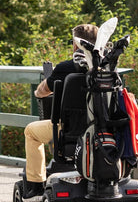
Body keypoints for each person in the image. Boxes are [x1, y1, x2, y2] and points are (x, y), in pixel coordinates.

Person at [23, 23, 99, 190]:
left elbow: (43, 91)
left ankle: (35, 184)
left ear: (75, 44)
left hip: (70, 129)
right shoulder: (106, 68)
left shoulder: (66, 68)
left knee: (30, 131)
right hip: (101, 129)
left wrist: (39, 90)